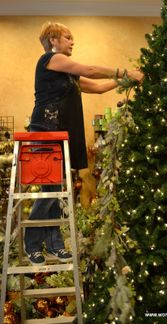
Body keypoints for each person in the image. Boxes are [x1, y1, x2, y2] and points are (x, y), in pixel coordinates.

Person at [24, 21, 143, 266]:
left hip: (62, 136)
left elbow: (98, 87)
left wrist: (126, 82)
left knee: (57, 191)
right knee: (50, 191)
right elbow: (90, 69)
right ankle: (32, 244)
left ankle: (55, 244)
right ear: (53, 40)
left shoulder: (68, 75)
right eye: (67, 37)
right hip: (45, 133)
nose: (72, 42)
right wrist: (126, 72)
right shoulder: (50, 59)